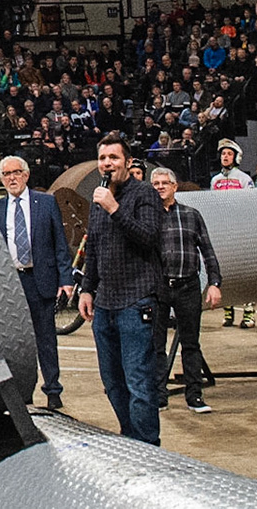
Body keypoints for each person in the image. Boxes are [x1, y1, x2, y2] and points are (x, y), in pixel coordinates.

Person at [78, 132, 165, 445]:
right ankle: (130, 439)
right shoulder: (98, 199)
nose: (107, 163)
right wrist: (87, 289)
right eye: (102, 158)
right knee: (112, 382)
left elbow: (149, 237)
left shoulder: (145, 194)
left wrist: (114, 208)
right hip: (105, 303)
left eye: (113, 157)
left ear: (127, 162)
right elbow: (94, 247)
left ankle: (148, 447)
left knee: (138, 382)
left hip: (136, 300)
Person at [0, 155, 73, 410]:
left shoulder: (46, 203)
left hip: (40, 280)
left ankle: (53, 390)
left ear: (26, 175)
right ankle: (24, 392)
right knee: (17, 345)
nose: (12, 178)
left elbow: (60, 244)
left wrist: (66, 280)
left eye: (16, 172)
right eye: (6, 174)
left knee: (46, 339)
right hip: (11, 286)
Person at [149, 166, 222, 414]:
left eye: (164, 183)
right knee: (156, 345)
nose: (160, 187)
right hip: (159, 287)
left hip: (188, 286)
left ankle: (194, 396)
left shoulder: (192, 215)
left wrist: (214, 283)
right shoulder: (148, 217)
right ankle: (159, 397)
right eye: (156, 184)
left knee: (191, 343)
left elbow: (208, 251)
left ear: (175, 186)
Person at [209, 138, 255, 328]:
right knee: (225, 272)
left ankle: (249, 314)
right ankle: (228, 312)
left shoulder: (244, 179)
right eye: (223, 153)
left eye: (229, 154)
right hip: (223, 233)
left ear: (236, 157)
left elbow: (251, 204)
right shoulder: (215, 181)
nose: (225, 157)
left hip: (241, 231)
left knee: (245, 272)